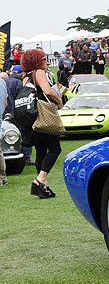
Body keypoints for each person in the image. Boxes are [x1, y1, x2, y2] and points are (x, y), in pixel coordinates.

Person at [18, 49, 62, 198]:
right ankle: (40, 179)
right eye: (44, 59)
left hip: (32, 119)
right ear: (37, 61)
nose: (47, 62)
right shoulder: (39, 73)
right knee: (55, 149)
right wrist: (59, 101)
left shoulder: (26, 77)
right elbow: (47, 92)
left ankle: (43, 186)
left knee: (41, 150)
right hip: (43, 116)